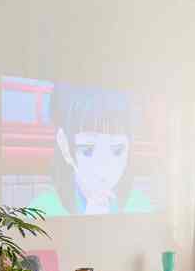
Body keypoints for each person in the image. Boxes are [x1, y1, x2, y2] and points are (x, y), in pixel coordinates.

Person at [31, 84, 152, 216]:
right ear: (64, 144)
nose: (103, 168)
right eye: (87, 150)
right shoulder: (42, 210)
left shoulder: (140, 206)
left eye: (117, 150)